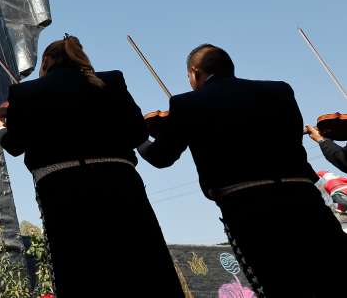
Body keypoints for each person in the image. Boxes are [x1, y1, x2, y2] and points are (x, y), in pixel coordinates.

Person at [139, 44, 347, 297]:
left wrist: (137, 137)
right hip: (303, 198)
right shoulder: (280, 91)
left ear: (194, 72)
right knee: (336, 275)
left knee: (278, 284)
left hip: (249, 208)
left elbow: (161, 157)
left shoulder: (186, 103)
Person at [0, 35, 183, 298]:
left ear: (46, 61)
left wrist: (0, 128)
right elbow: (137, 132)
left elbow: (14, 145)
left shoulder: (25, 92)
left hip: (62, 191)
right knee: (145, 264)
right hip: (120, 184)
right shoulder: (111, 81)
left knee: (80, 271)